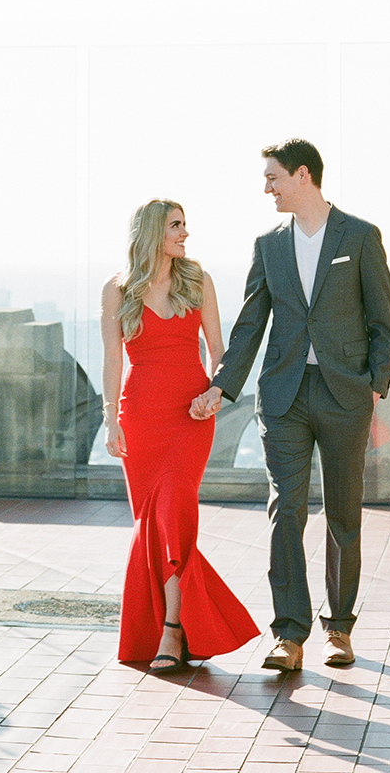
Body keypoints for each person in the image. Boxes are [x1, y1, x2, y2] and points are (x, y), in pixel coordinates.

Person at [190, 140, 390, 671]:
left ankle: (340, 629)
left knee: (343, 512)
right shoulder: (268, 244)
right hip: (283, 394)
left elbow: (381, 320)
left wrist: (375, 384)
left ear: (303, 175)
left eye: (273, 177)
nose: (267, 188)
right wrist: (222, 385)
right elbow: (251, 321)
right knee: (286, 509)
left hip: (344, 393)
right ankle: (289, 633)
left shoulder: (360, 236)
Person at [101, 200, 258, 671]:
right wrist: (111, 419)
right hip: (141, 419)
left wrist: (214, 392)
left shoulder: (197, 280)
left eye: (185, 225)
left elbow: (219, 350)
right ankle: (178, 626)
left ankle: (171, 631)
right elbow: (113, 360)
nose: (185, 233)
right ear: (152, 231)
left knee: (174, 517)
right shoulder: (117, 290)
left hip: (190, 419)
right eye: (176, 226)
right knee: (155, 527)